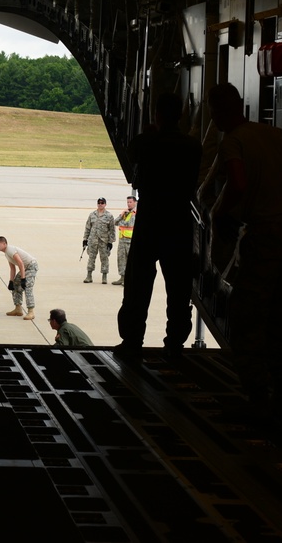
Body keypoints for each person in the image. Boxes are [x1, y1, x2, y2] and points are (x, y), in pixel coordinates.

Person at [207, 82, 282, 417]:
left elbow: (238, 183)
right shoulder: (272, 134)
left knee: (246, 317)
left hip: (265, 237)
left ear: (217, 111)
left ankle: (257, 396)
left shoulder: (233, 141)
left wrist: (221, 212)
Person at [114, 93, 202, 362]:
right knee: (178, 288)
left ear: (157, 115)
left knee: (138, 284)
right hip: (179, 219)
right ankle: (174, 344)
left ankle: (132, 341)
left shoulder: (148, 143)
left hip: (151, 218)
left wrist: (149, 132)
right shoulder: (192, 145)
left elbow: (130, 156)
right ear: (181, 116)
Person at [0, 236, 39, 320]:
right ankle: (18, 309)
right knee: (15, 285)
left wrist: (23, 279)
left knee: (27, 286)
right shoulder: (6, 253)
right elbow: (12, 268)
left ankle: (31, 312)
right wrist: (11, 281)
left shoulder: (10, 250)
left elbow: (21, 264)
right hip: (25, 268)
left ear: (4, 244)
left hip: (31, 266)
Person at [82, 198, 115, 283]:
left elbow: (112, 230)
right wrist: (85, 239)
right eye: (99, 203)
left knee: (104, 258)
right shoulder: (92, 215)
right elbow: (88, 228)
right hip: (93, 240)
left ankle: (104, 276)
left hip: (103, 241)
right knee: (91, 258)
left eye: (102, 203)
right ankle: (89, 276)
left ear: (105, 204)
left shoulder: (109, 216)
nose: (100, 204)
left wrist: (110, 242)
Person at [112, 196, 136, 285]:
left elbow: (127, 224)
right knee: (121, 259)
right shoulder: (126, 213)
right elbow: (115, 222)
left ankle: (129, 279)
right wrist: (121, 215)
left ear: (134, 203)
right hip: (122, 240)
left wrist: (121, 221)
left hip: (130, 241)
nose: (128, 204)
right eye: (128, 202)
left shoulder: (134, 213)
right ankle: (122, 277)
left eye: (130, 202)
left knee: (130, 261)